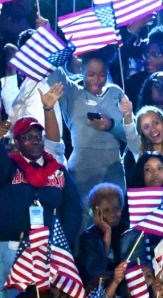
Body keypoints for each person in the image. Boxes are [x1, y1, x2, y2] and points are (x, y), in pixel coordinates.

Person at [0, 116, 83, 298]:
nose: (35, 141)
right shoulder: (9, 166)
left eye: (38, 136)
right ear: (17, 142)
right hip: (15, 243)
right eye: (28, 137)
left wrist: (63, 240)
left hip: (49, 245)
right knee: (11, 294)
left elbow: (74, 208)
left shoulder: (57, 171)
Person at [48, 50, 128, 193]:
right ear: (82, 71)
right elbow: (49, 66)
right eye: (91, 74)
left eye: (102, 74)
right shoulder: (72, 92)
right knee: (84, 213)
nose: (97, 80)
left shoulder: (116, 93)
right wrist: (64, 48)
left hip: (113, 167)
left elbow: (132, 136)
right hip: (82, 169)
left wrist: (111, 126)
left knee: (113, 212)